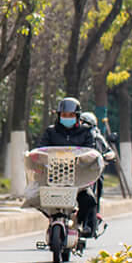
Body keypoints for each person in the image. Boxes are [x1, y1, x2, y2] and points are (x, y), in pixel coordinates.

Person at [34, 97, 102, 237]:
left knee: (89, 200)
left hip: (78, 179)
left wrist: (84, 160)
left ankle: (79, 223)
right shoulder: (51, 132)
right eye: (64, 115)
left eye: (71, 116)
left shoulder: (86, 133)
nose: (67, 118)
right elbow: (42, 150)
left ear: (77, 116)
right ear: (59, 116)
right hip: (53, 177)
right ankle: (53, 219)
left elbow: (90, 152)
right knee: (34, 196)